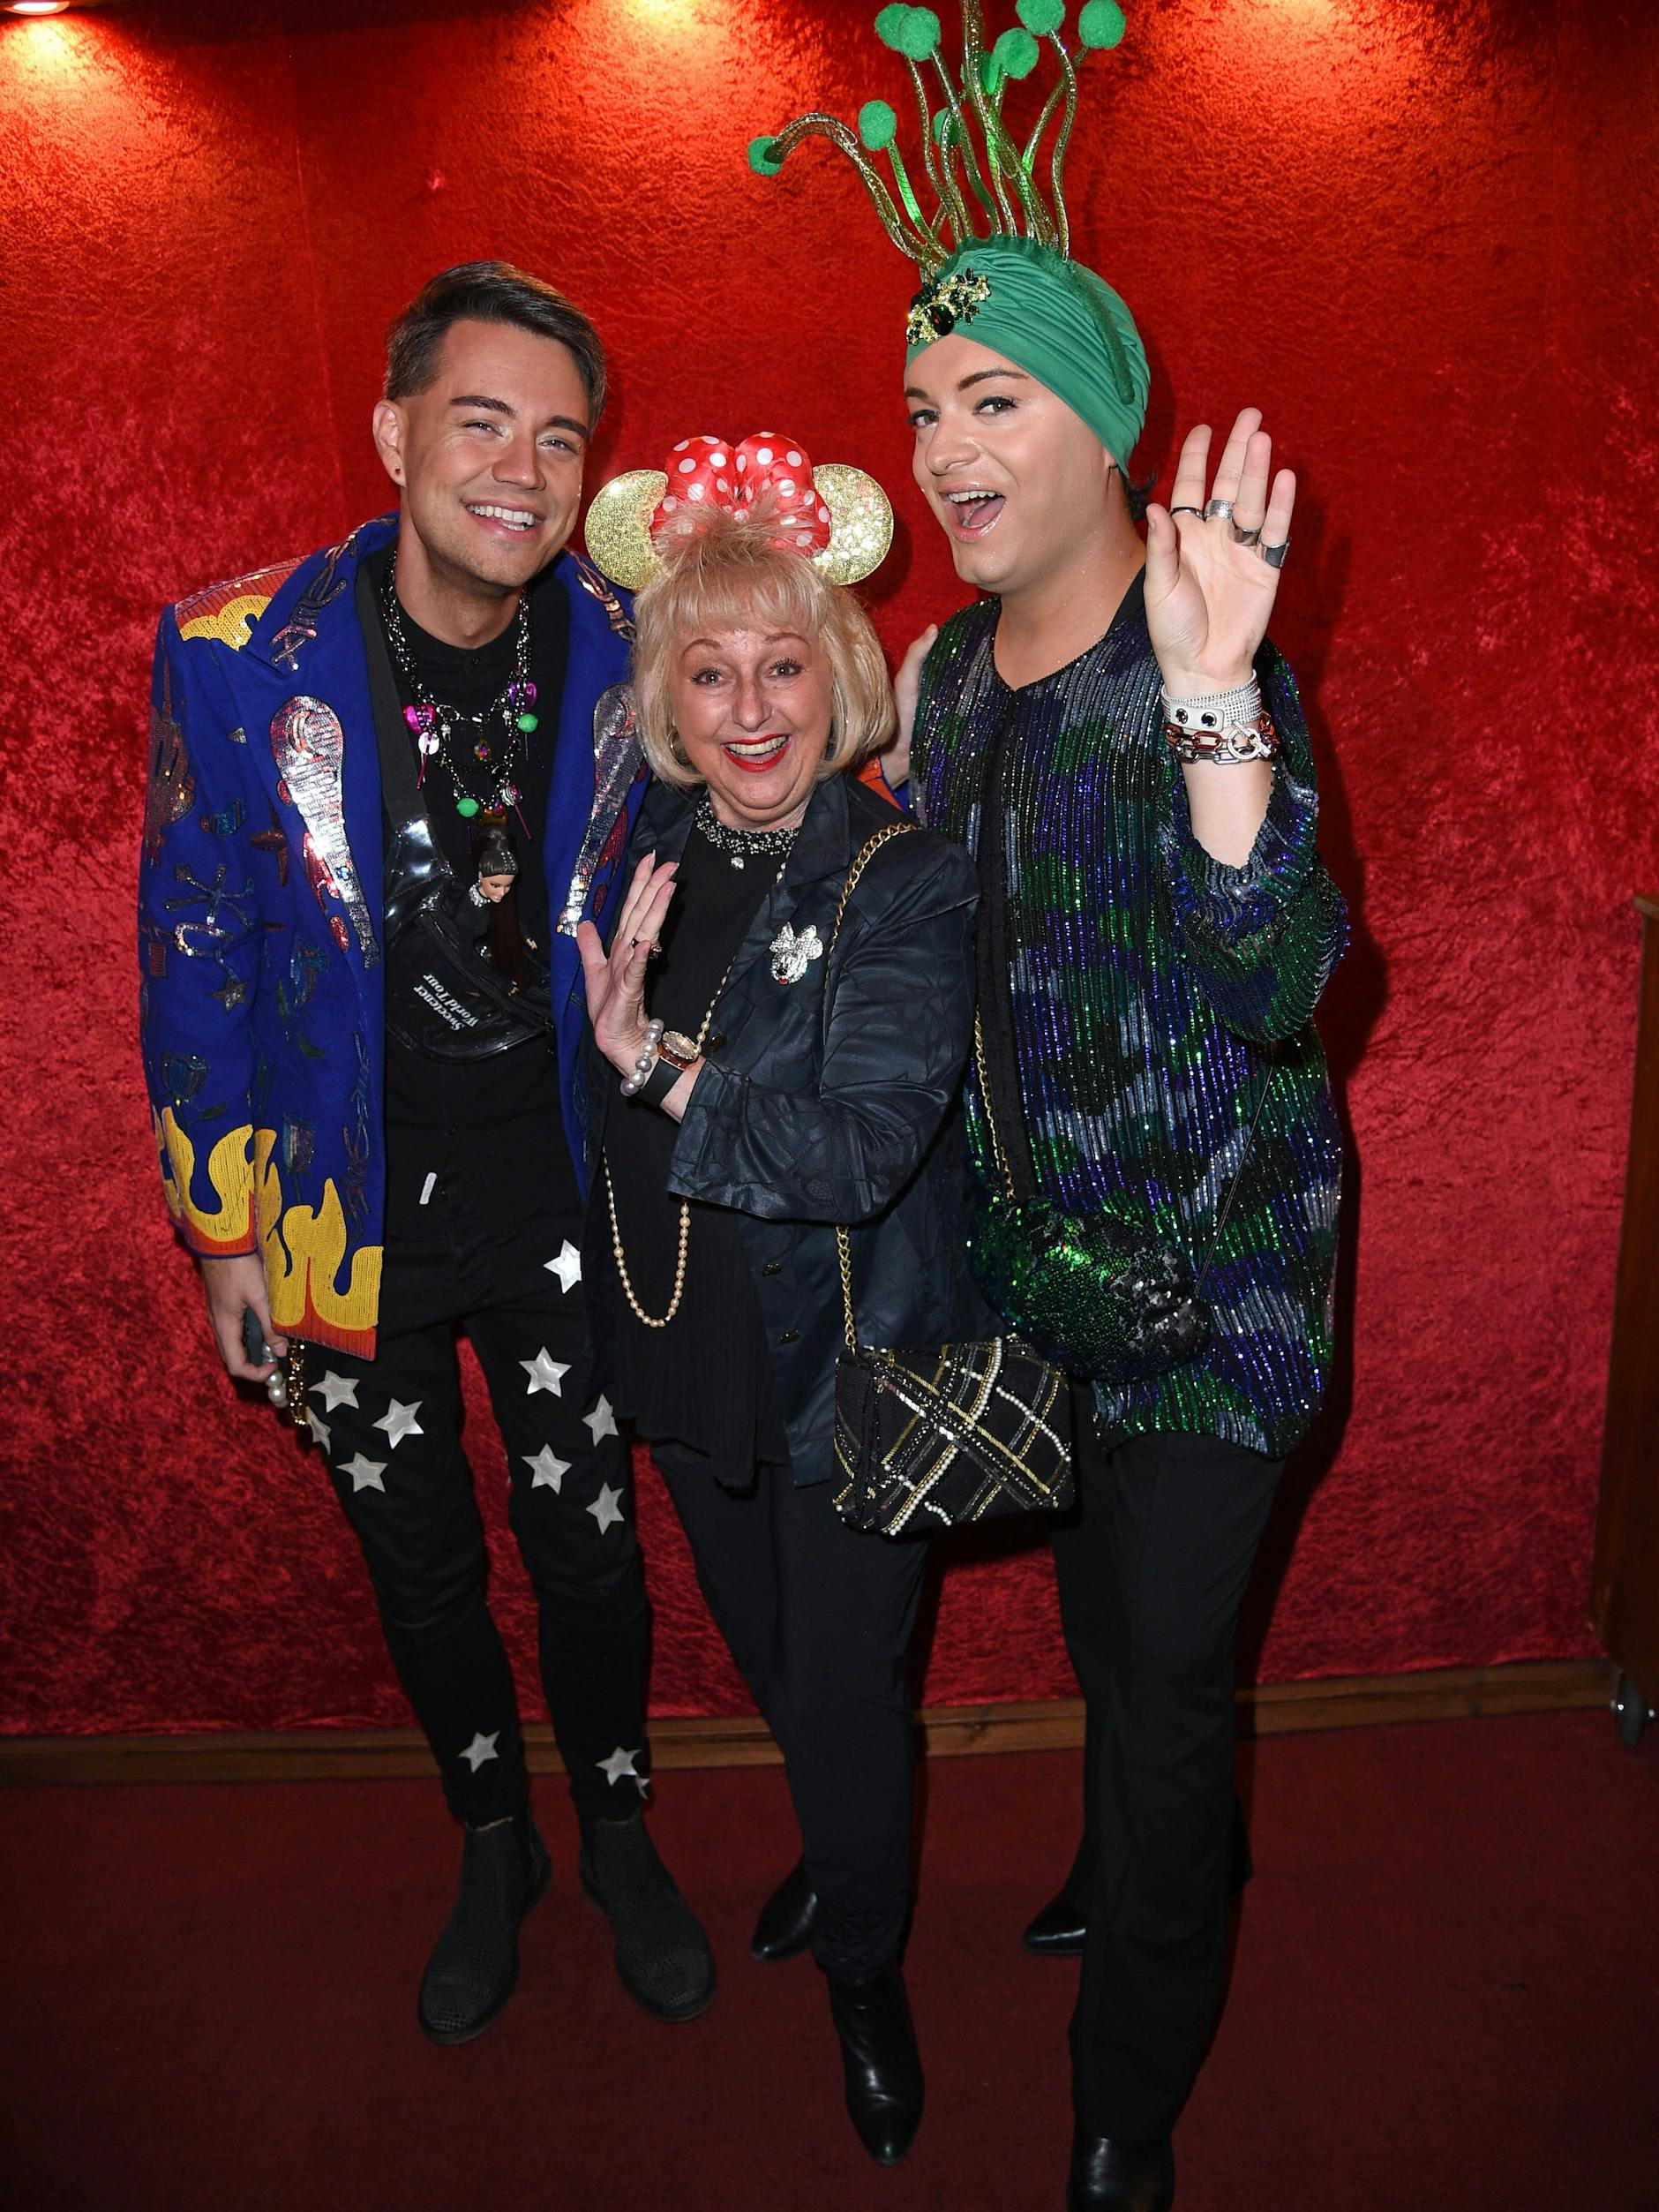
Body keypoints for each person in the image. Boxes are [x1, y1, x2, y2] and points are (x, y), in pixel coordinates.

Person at [752, 11, 1347, 2208]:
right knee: (1104, 1639)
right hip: (1028, 1276)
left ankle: (1130, 2087)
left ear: (1105, 426)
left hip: (1217, 1293)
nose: (943, 445)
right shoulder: (932, 680)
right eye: (923, 408)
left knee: (1172, 1681)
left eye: (991, 398)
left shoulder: (1215, 660)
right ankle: (1109, 1855)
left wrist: (1211, 701)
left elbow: (1284, 975)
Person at [138, 260, 713, 2047]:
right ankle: (493, 1833)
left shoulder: (636, 635)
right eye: (481, 422)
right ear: (394, 430)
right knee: (419, 1555)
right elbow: (195, 933)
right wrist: (222, 1224)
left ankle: (614, 1817)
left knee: (590, 1537)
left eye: (557, 437)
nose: (521, 472)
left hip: (556, 1173)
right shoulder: (238, 654)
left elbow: (768, 795)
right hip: (340, 1195)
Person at [575, 442, 986, 2166]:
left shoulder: (897, 879)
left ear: (843, 668)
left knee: (844, 1696)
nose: (752, 707)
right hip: (682, 1346)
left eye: (785, 660)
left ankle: (867, 1969)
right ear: (667, 689)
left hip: (848, 1375)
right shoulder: (643, 831)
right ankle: (835, 1838)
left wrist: (661, 1059)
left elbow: (859, 1145)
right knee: (770, 1663)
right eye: (710, 665)